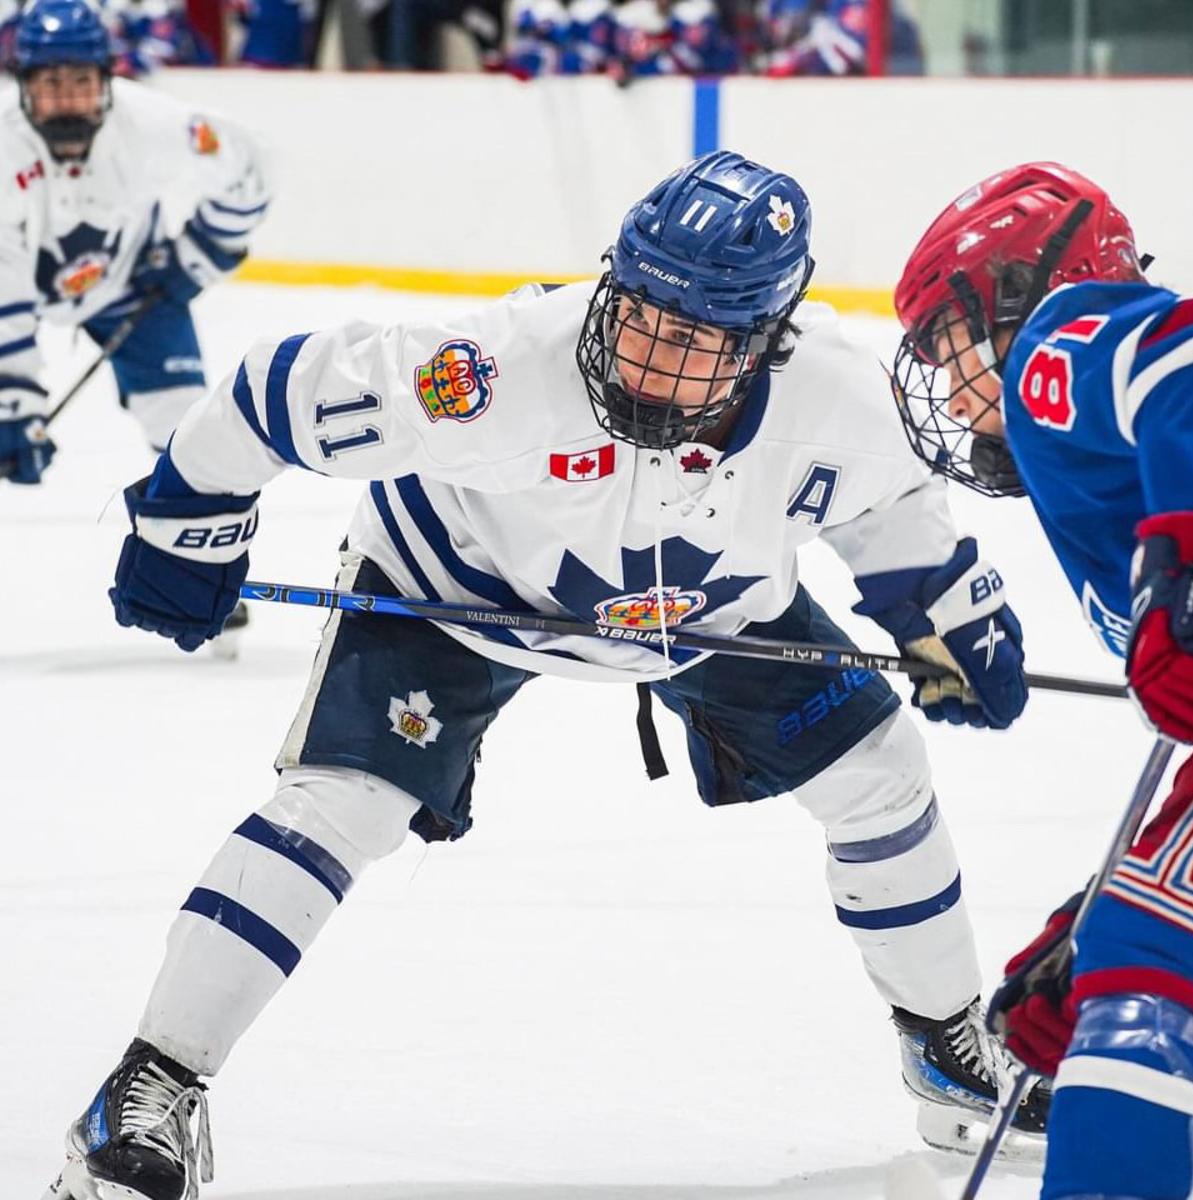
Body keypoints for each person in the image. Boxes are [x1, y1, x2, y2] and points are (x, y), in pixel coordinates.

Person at [45, 151, 1044, 1200]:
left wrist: (947, 611)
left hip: (706, 620)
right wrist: (187, 521)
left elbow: (884, 505)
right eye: (643, 314)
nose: (647, 355)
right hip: (453, 595)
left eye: (693, 339)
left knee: (884, 771)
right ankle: (147, 1091)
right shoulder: (494, 366)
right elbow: (274, 393)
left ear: (765, 344)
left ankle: (946, 1054)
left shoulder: (839, 396)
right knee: (343, 803)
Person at [892, 160, 1193, 1200]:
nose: (942, 381)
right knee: (1131, 936)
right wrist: (1100, 908)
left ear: (1013, 299)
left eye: (945, 341)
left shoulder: (1053, 354)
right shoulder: (1089, 458)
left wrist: (1191, 560)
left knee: (1150, 952)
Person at [0, 0, 271, 486]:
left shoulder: (151, 123)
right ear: (24, 85)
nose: (67, 100)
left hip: (135, 285)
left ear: (107, 80)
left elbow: (249, 167)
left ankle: (198, 542)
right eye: (50, 85)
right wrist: (13, 402)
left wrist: (197, 258)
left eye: (81, 83)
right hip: (24, 291)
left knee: (191, 443)